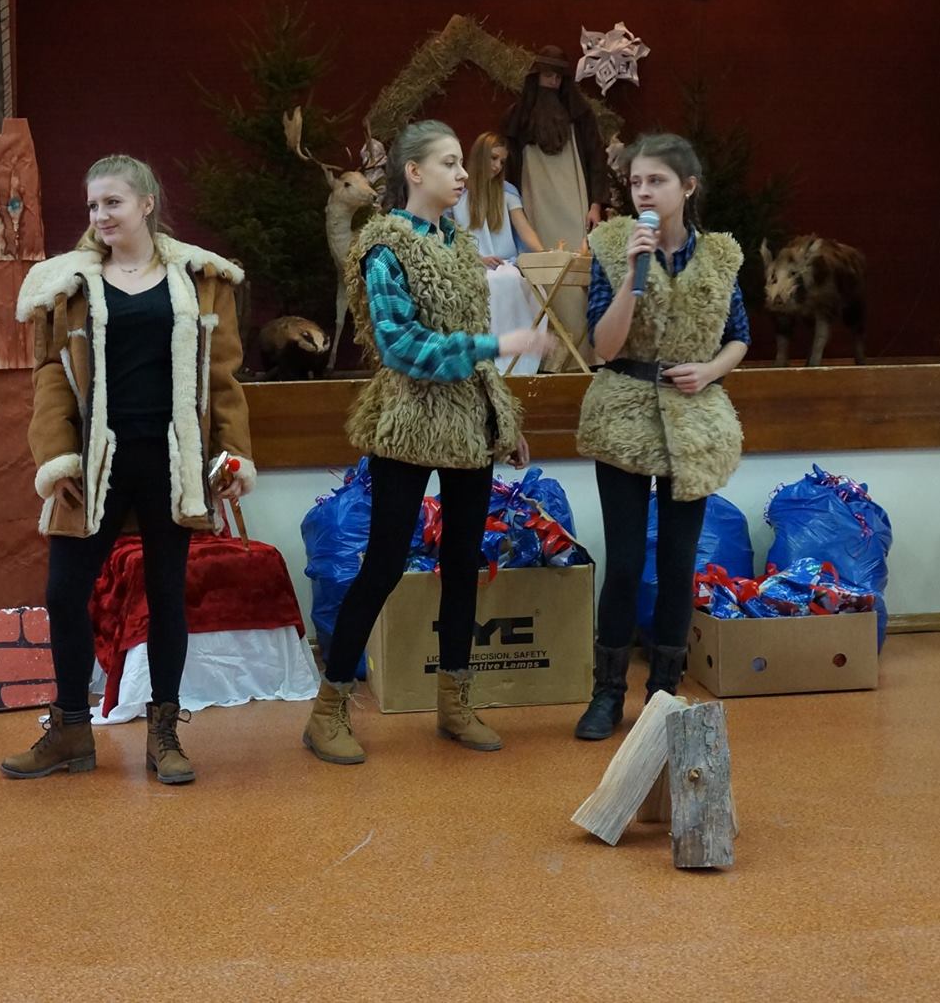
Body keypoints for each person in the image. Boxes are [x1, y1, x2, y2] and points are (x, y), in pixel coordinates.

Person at [302, 120, 554, 764]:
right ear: (413, 172)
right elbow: (401, 346)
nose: (463, 173)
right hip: (409, 421)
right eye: (449, 162)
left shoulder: (457, 242)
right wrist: (498, 343)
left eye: (461, 162)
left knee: (465, 563)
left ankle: (455, 703)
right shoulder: (384, 247)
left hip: (468, 421)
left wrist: (503, 420)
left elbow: (470, 349)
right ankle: (328, 710)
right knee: (384, 564)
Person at [3, 155, 255, 786]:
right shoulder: (68, 285)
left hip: (171, 460)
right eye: (93, 205)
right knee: (64, 592)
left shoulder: (199, 280)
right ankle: (70, 729)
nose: (100, 216)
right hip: (95, 462)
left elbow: (222, 377)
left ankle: (164, 733)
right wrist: (56, 457)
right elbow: (50, 377)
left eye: (112, 202)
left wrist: (233, 452)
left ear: (147, 203)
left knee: (167, 594)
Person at [571, 133, 751, 740]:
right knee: (624, 563)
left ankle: (663, 695)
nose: (644, 192)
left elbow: (740, 335)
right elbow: (603, 345)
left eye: (657, 181)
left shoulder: (721, 256)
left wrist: (711, 370)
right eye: (636, 182)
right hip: (623, 412)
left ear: (687, 187)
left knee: (678, 564)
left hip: (693, 420)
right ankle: (606, 694)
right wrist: (631, 275)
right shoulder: (611, 245)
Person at [450, 130, 547, 374]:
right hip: (468, 264)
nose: (497, 166)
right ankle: (489, 359)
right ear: (479, 156)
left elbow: (524, 229)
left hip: (506, 263)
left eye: (502, 162)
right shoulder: (456, 192)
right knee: (494, 282)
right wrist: (476, 259)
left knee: (510, 279)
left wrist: (545, 255)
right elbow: (449, 235)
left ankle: (516, 362)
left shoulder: (507, 191)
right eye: (493, 158)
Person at [502, 46, 610, 250]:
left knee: (575, 254)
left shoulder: (580, 115)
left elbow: (596, 158)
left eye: (558, 77)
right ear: (536, 77)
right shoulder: (518, 117)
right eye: (548, 76)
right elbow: (509, 165)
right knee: (540, 255)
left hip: (574, 200)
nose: (553, 82)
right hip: (535, 199)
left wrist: (595, 205)